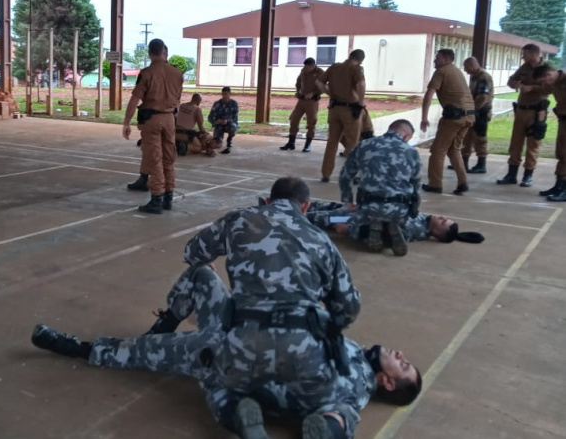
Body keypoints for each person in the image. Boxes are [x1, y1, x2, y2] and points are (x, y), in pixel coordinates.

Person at [32, 177, 376, 439]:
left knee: (207, 370)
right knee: (329, 399)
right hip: (307, 353)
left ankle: (226, 403)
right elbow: (348, 309)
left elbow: (192, 253)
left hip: (241, 342)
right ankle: (328, 427)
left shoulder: (240, 219)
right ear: (305, 206)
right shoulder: (323, 242)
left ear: (269, 200)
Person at [339, 119, 421, 256]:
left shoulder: (364, 145)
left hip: (367, 207)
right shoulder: (412, 152)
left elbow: (345, 176)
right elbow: (416, 186)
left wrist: (347, 201)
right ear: (406, 136)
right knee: (412, 222)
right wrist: (413, 209)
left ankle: (365, 228)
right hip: (399, 210)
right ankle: (391, 227)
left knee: (339, 219)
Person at [122, 38, 183, 214]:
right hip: (169, 118)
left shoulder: (147, 73)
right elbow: (178, 100)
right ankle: (168, 197)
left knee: (155, 159)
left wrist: (126, 122)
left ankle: (156, 198)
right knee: (169, 158)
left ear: (150, 53)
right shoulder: (177, 73)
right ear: (164, 52)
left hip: (152, 120)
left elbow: (135, 99)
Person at [305, 200, 485, 250]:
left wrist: (349, 229)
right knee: (318, 206)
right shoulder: (423, 220)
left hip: (349, 220)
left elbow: (382, 236)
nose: (442, 217)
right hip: (357, 212)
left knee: (319, 217)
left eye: (443, 222)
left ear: (436, 232)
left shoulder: (413, 229)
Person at [497, 44, 555, 187]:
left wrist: (532, 88)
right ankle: (511, 174)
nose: (523, 57)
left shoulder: (547, 68)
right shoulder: (524, 67)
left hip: (537, 111)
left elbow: (550, 89)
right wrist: (517, 84)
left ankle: (528, 175)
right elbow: (511, 80)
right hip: (521, 110)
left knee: (533, 144)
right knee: (515, 143)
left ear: (534, 54)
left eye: (525, 54)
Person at [420, 49, 474, 195]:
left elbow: (429, 95)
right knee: (454, 149)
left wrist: (424, 118)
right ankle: (463, 182)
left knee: (438, 150)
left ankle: (435, 184)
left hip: (454, 117)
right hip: (469, 116)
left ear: (447, 59)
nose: (435, 60)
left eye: (438, 58)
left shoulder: (441, 71)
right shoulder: (456, 71)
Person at [318, 50, 367, 182]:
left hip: (334, 109)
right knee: (353, 142)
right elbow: (361, 84)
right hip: (350, 110)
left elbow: (319, 83)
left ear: (350, 56)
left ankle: (326, 173)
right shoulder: (357, 69)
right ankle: (353, 174)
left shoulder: (334, 67)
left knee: (332, 142)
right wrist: (361, 101)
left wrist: (330, 93)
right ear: (360, 60)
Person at [458, 57, 495, 174]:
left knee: (480, 139)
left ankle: (481, 164)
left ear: (472, 65)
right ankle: (463, 162)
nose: (465, 70)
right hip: (474, 112)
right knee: (467, 137)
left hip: (481, 113)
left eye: (466, 67)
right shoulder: (475, 77)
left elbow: (483, 97)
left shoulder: (484, 77)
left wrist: (471, 110)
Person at [281, 57, 324, 152]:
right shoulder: (303, 71)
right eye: (305, 67)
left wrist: (313, 93)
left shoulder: (320, 73)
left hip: (312, 101)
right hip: (301, 100)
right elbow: (298, 82)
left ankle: (307, 145)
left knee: (311, 122)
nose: (306, 69)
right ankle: (291, 143)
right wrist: (298, 91)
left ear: (313, 66)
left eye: (308, 67)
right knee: (294, 119)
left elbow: (323, 87)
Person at [537, 68, 566, 201]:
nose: (544, 84)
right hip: (563, 120)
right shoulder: (555, 82)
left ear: (548, 75)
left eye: (543, 81)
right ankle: (559, 185)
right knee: (561, 153)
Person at [208, 87, 239, 154]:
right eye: (223, 94)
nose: (224, 96)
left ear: (230, 94)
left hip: (229, 124)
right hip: (219, 125)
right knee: (217, 145)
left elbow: (235, 118)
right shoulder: (217, 103)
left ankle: (229, 139)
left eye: (226, 94)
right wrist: (215, 121)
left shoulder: (234, 104)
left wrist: (227, 121)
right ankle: (218, 140)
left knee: (233, 127)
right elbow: (210, 117)